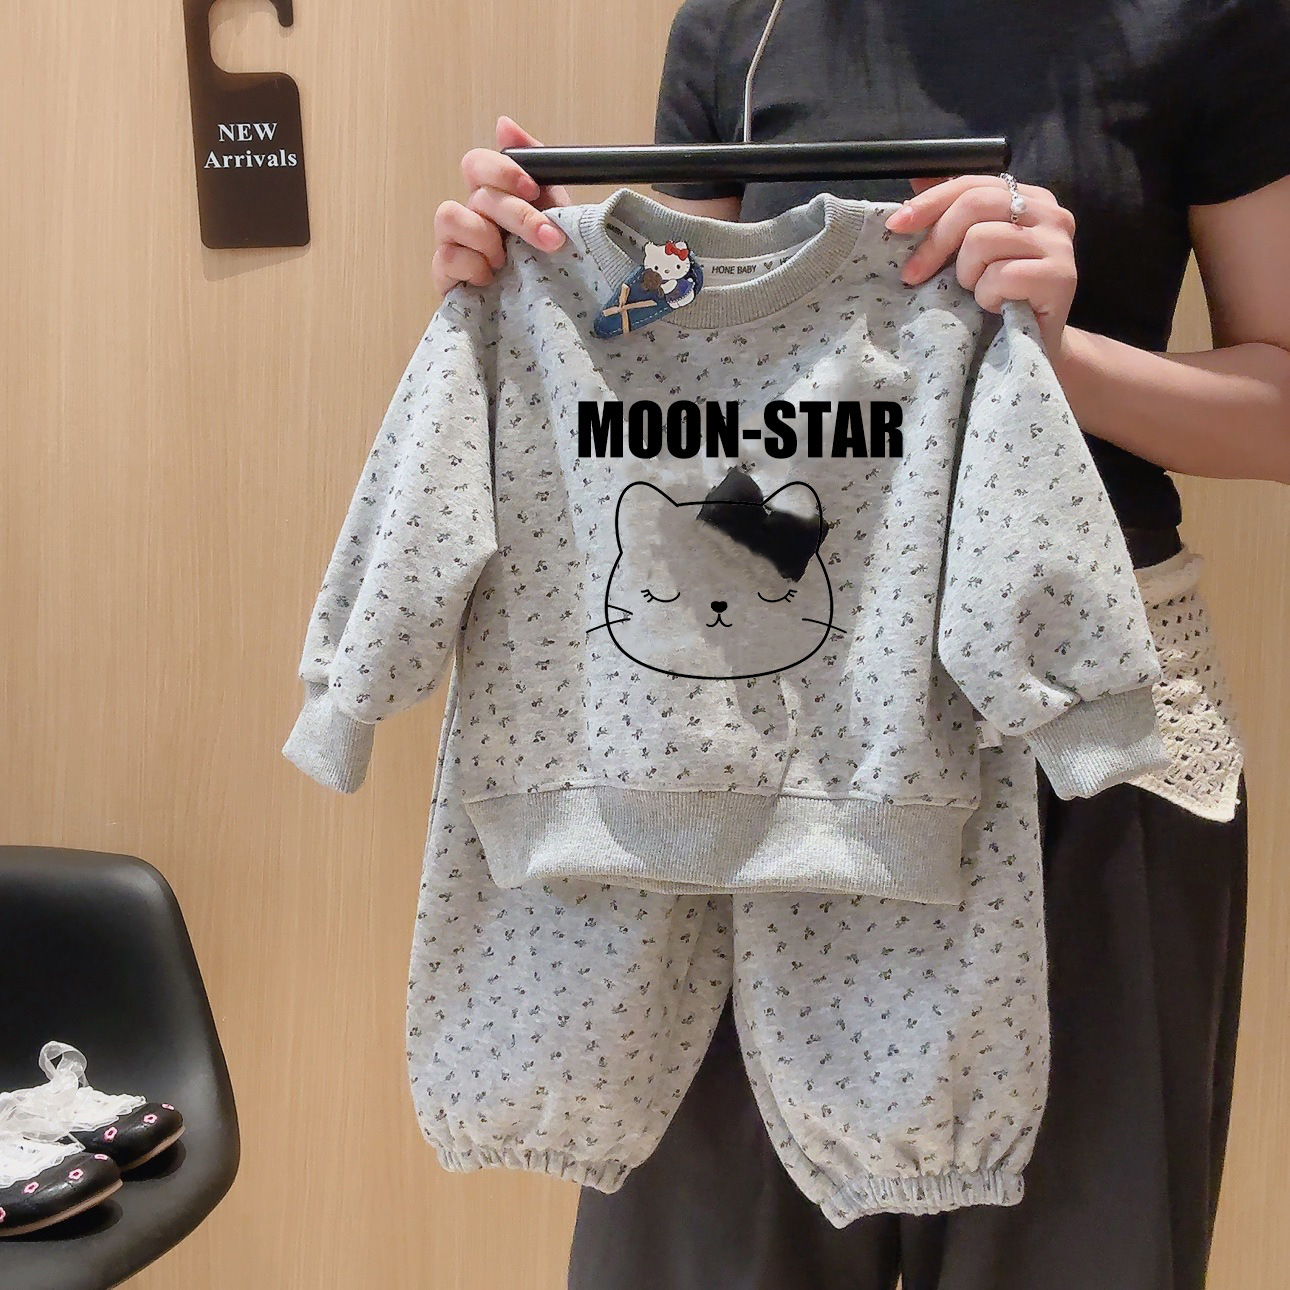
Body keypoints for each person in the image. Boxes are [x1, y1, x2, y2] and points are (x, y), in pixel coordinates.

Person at [430, 1, 1290, 1285]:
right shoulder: (746, 24)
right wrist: (546, 276)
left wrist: (1052, 352)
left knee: (1076, 1251)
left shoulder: (1207, 20)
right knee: (709, 1248)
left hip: (1078, 731)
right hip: (779, 735)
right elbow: (677, 336)